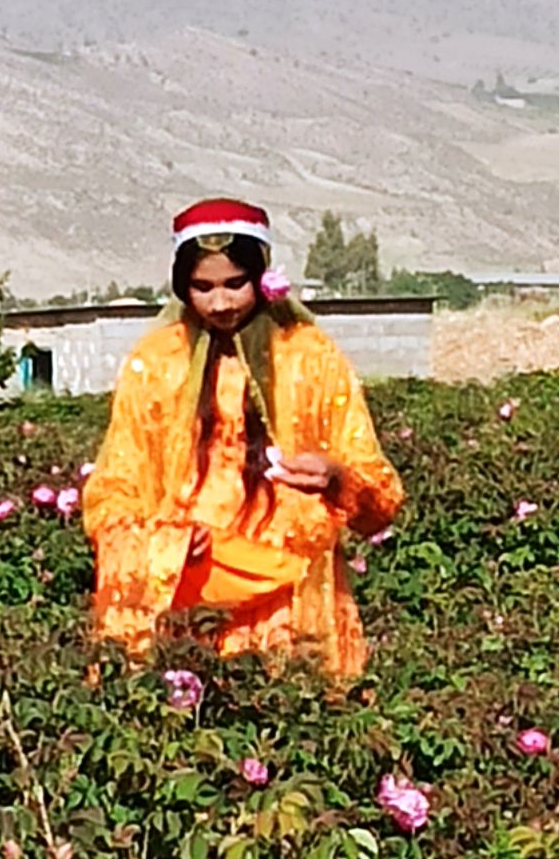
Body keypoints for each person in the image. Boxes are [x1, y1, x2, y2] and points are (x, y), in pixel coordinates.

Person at [84, 199, 404, 679]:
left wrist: (336, 478)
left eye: (235, 284)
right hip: (184, 595)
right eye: (202, 287)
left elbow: (381, 499)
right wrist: (164, 541)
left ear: (261, 277)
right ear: (181, 287)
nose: (220, 303)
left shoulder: (308, 357)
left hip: (286, 600)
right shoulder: (155, 363)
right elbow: (113, 491)